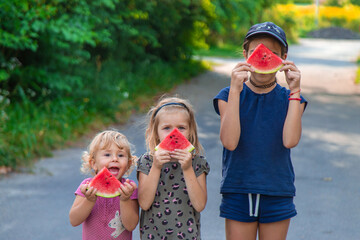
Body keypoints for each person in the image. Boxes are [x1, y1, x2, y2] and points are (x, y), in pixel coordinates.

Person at [213, 22, 308, 240]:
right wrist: (236, 90)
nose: (264, 57)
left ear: (284, 57)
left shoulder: (292, 99)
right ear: (245, 54)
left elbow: (290, 140)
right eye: (256, 52)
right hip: (238, 188)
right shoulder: (227, 95)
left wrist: (295, 89)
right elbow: (229, 141)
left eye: (273, 53)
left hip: (277, 191)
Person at [137, 96, 210, 240]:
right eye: (166, 128)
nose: (173, 134)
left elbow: (200, 205)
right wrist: (156, 167)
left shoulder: (197, 163)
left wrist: (188, 168)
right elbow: (144, 203)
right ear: (156, 132)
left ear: (190, 131)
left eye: (181, 128)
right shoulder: (147, 162)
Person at [69, 130, 139, 240]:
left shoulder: (129, 188)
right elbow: (74, 220)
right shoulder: (87, 186)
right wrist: (89, 200)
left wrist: (125, 200)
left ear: (129, 164)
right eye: (107, 154)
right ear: (93, 163)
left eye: (121, 155)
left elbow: (131, 225)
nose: (115, 159)